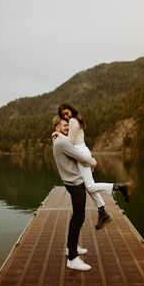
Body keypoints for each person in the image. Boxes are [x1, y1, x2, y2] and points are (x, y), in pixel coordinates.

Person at [54, 102, 132, 231]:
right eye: (63, 115)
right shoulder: (76, 120)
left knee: (89, 186)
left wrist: (58, 134)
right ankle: (102, 213)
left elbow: (70, 142)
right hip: (81, 152)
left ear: (72, 111)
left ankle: (122, 188)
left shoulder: (73, 121)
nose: (66, 117)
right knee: (88, 185)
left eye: (67, 113)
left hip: (80, 153)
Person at [52, 116, 95, 271]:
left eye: (68, 126)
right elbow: (80, 156)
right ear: (57, 127)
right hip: (75, 182)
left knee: (77, 216)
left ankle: (71, 247)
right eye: (64, 126)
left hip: (71, 181)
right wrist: (92, 161)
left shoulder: (59, 140)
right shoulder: (62, 142)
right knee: (79, 216)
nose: (68, 128)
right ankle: (72, 258)